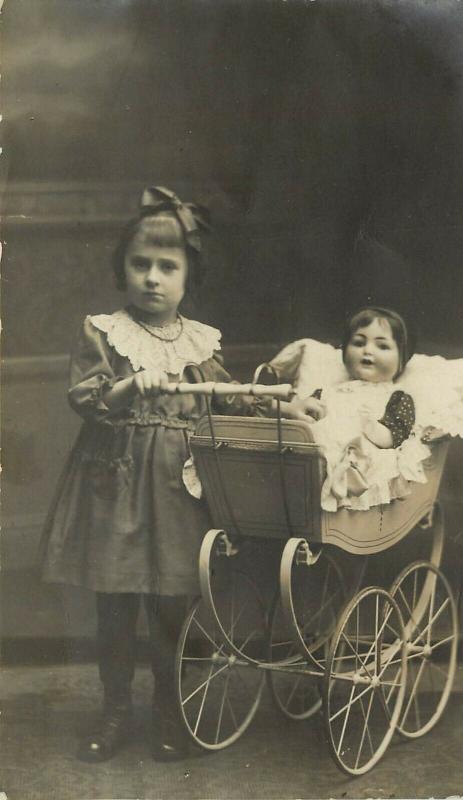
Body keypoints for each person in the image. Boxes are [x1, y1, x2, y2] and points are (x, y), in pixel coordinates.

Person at [39, 185, 324, 764]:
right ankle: (115, 711)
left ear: (189, 276)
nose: (152, 278)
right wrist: (129, 384)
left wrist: (283, 406)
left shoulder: (198, 342)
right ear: (122, 267)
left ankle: (172, 713)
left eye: (167, 266)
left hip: (177, 487)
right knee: (116, 605)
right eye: (140, 264)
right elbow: (86, 397)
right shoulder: (104, 330)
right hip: (115, 481)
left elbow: (231, 397)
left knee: (172, 606)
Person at [272, 306, 429, 511]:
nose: (367, 350)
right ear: (344, 352)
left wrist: (371, 427)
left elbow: (396, 435)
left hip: (359, 455)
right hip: (315, 451)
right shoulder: (327, 391)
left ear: (402, 359)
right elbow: (304, 415)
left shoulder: (397, 397)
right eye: (358, 343)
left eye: (382, 346)